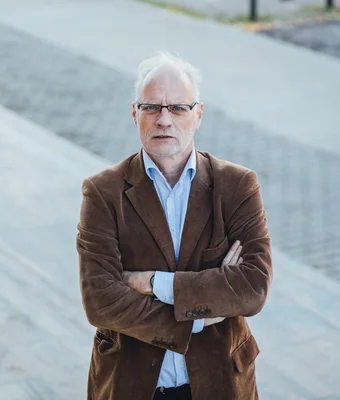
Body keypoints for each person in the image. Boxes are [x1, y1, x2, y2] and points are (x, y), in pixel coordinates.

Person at [76, 51, 272, 400]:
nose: (164, 119)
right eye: (152, 107)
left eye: (178, 108)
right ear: (134, 114)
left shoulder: (237, 186)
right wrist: (205, 308)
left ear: (198, 115)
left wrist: (151, 283)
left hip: (220, 383)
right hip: (131, 384)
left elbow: (253, 287)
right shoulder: (102, 192)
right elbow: (100, 300)